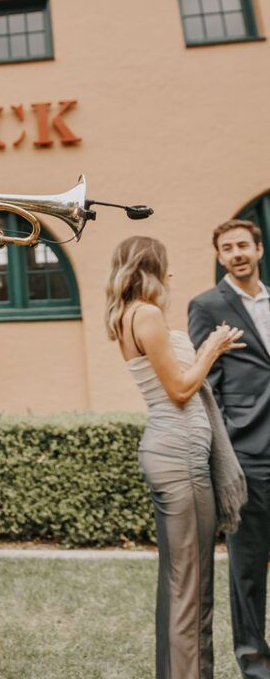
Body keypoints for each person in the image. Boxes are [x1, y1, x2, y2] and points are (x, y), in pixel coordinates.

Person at [106, 236, 245, 679]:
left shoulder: (132, 314)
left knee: (184, 581)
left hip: (176, 452)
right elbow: (181, 389)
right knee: (191, 585)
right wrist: (211, 349)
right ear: (153, 267)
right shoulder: (145, 314)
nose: (171, 274)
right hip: (179, 455)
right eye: (166, 266)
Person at [189, 219, 270, 679]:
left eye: (243, 245)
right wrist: (224, 452)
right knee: (248, 569)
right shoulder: (206, 305)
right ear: (220, 256)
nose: (237, 253)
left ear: (258, 249)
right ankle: (255, 663)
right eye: (227, 248)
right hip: (247, 452)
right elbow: (206, 386)